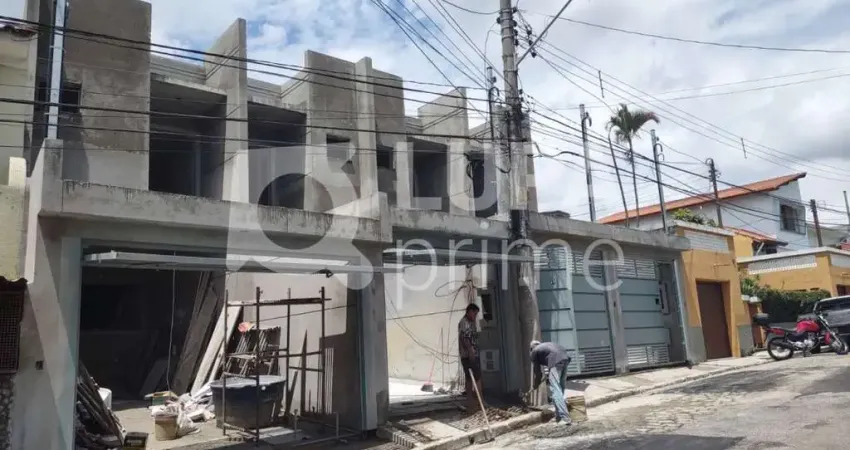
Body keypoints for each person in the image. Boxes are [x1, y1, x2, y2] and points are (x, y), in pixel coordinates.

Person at [530, 340, 572, 425]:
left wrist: (536, 384)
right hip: (566, 359)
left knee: (555, 390)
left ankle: (565, 417)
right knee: (560, 389)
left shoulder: (534, 351)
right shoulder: (546, 346)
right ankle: (559, 416)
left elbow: (537, 372)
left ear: (531, 348)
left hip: (556, 362)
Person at [458, 303, 482, 414]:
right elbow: (465, 338)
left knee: (471, 378)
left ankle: (473, 402)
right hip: (468, 355)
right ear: (469, 312)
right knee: (475, 378)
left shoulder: (469, 322)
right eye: (474, 313)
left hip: (469, 354)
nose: (475, 316)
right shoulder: (464, 323)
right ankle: (477, 402)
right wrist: (471, 351)